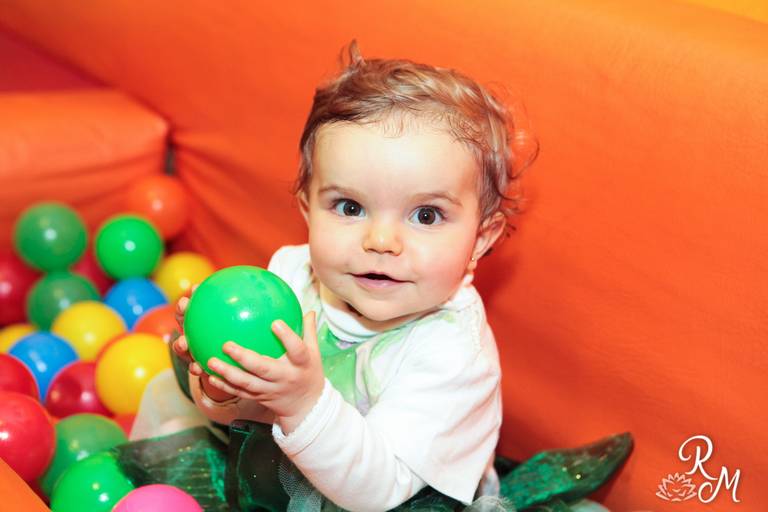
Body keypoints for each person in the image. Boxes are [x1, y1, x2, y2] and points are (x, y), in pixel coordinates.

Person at [171, 40, 539, 511]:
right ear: (307, 209)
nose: (381, 241)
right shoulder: (289, 279)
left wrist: (302, 402)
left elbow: (378, 492)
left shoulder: (453, 353)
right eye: (349, 207)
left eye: (426, 215)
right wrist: (225, 387)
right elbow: (245, 422)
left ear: (482, 238)